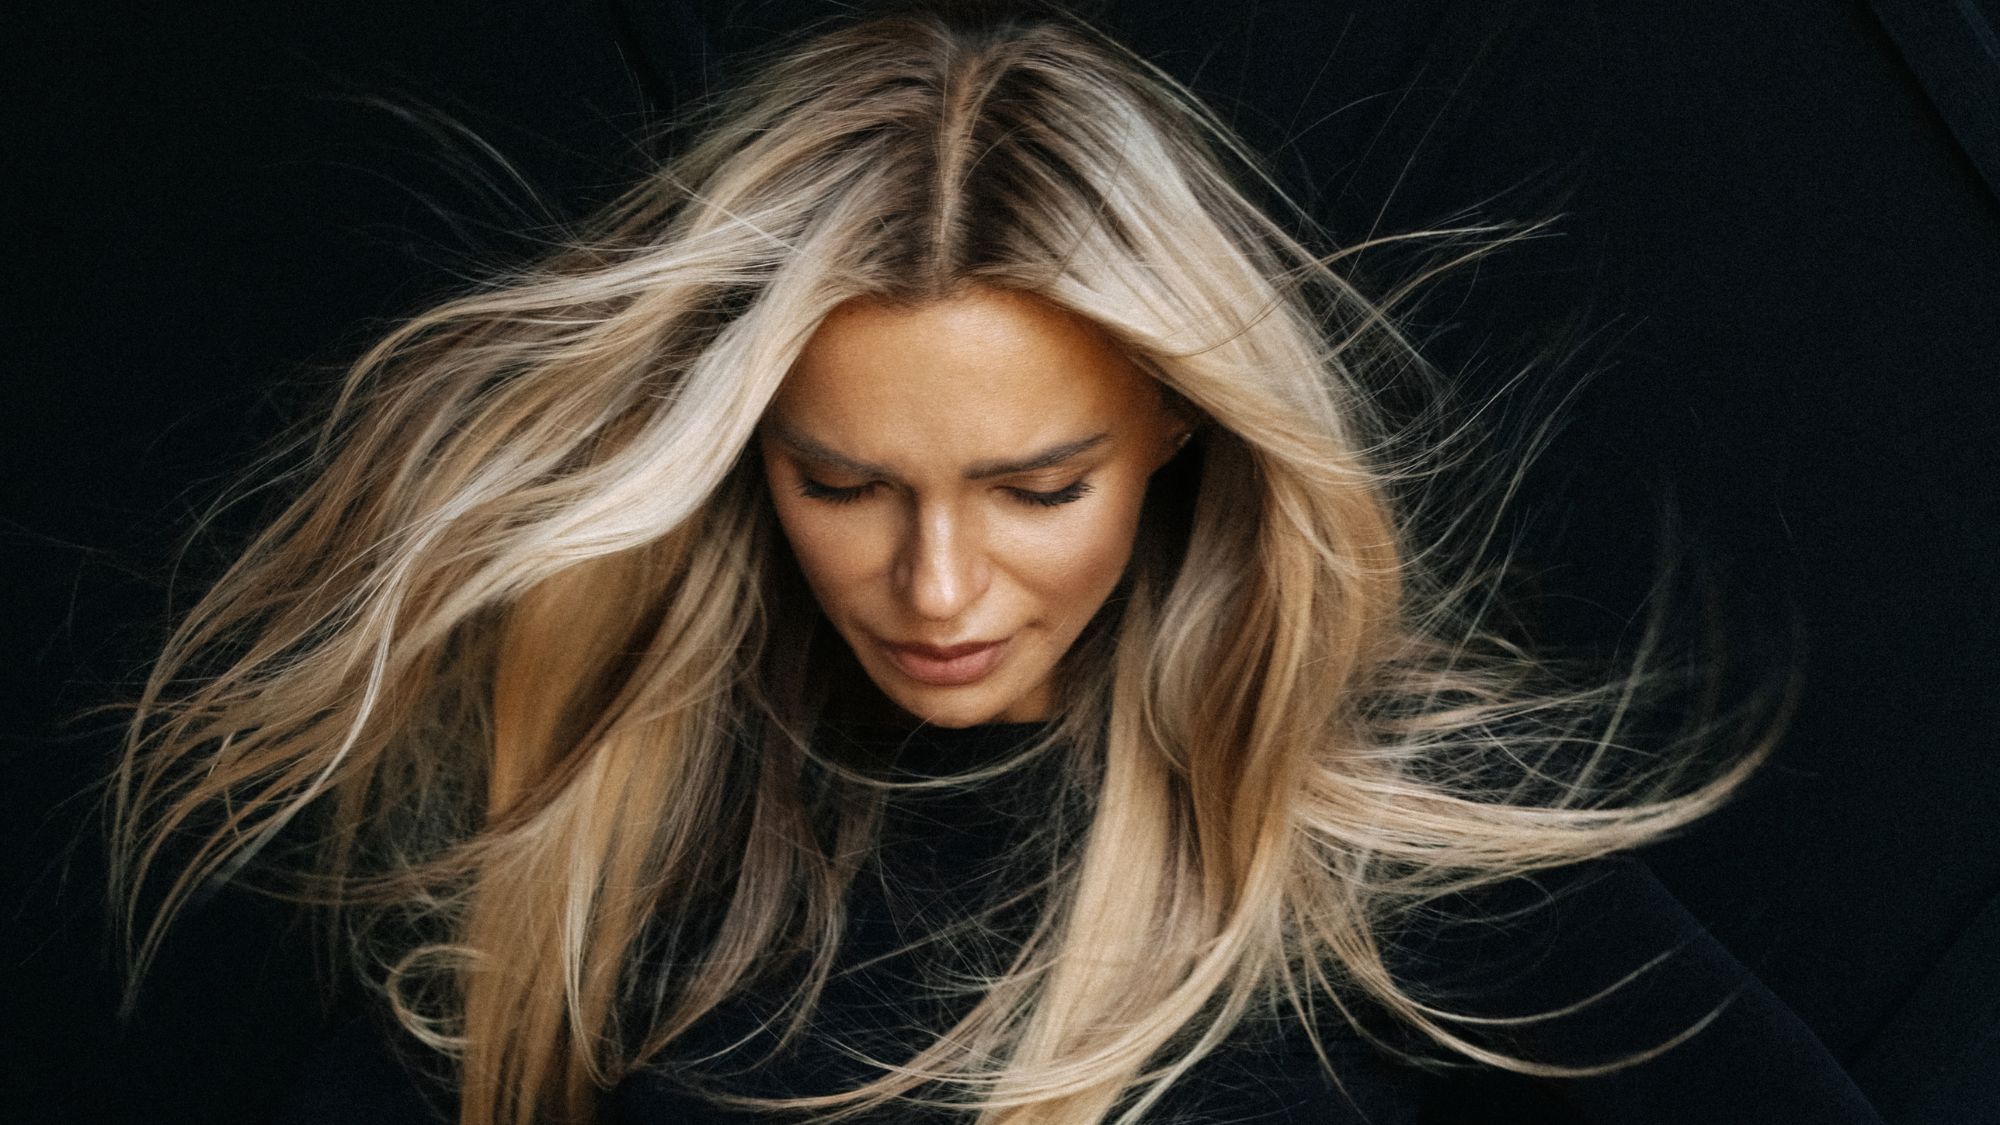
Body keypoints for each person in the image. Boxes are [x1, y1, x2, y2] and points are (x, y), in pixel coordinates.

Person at [107, 4, 1886, 1123]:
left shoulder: (1368, 839)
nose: (937, 589)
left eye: (1038, 486)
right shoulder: (615, 822)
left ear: (1179, 427)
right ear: (744, 459)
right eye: (843, 483)